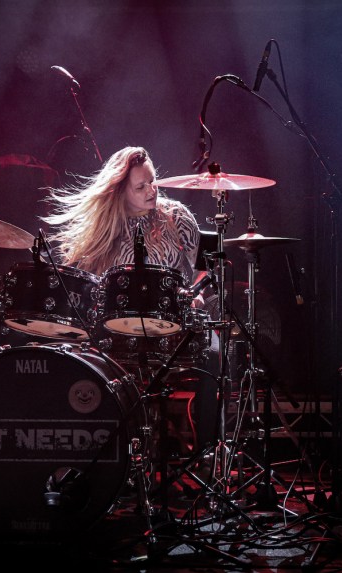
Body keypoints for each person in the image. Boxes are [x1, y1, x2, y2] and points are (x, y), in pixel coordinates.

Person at [42, 145, 220, 449]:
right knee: (77, 360)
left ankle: (207, 453)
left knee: (215, 354)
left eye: (153, 181)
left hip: (177, 323)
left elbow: (204, 269)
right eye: (141, 186)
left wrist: (196, 294)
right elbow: (87, 283)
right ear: (120, 191)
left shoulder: (178, 217)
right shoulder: (105, 227)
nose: (151, 190)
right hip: (118, 330)